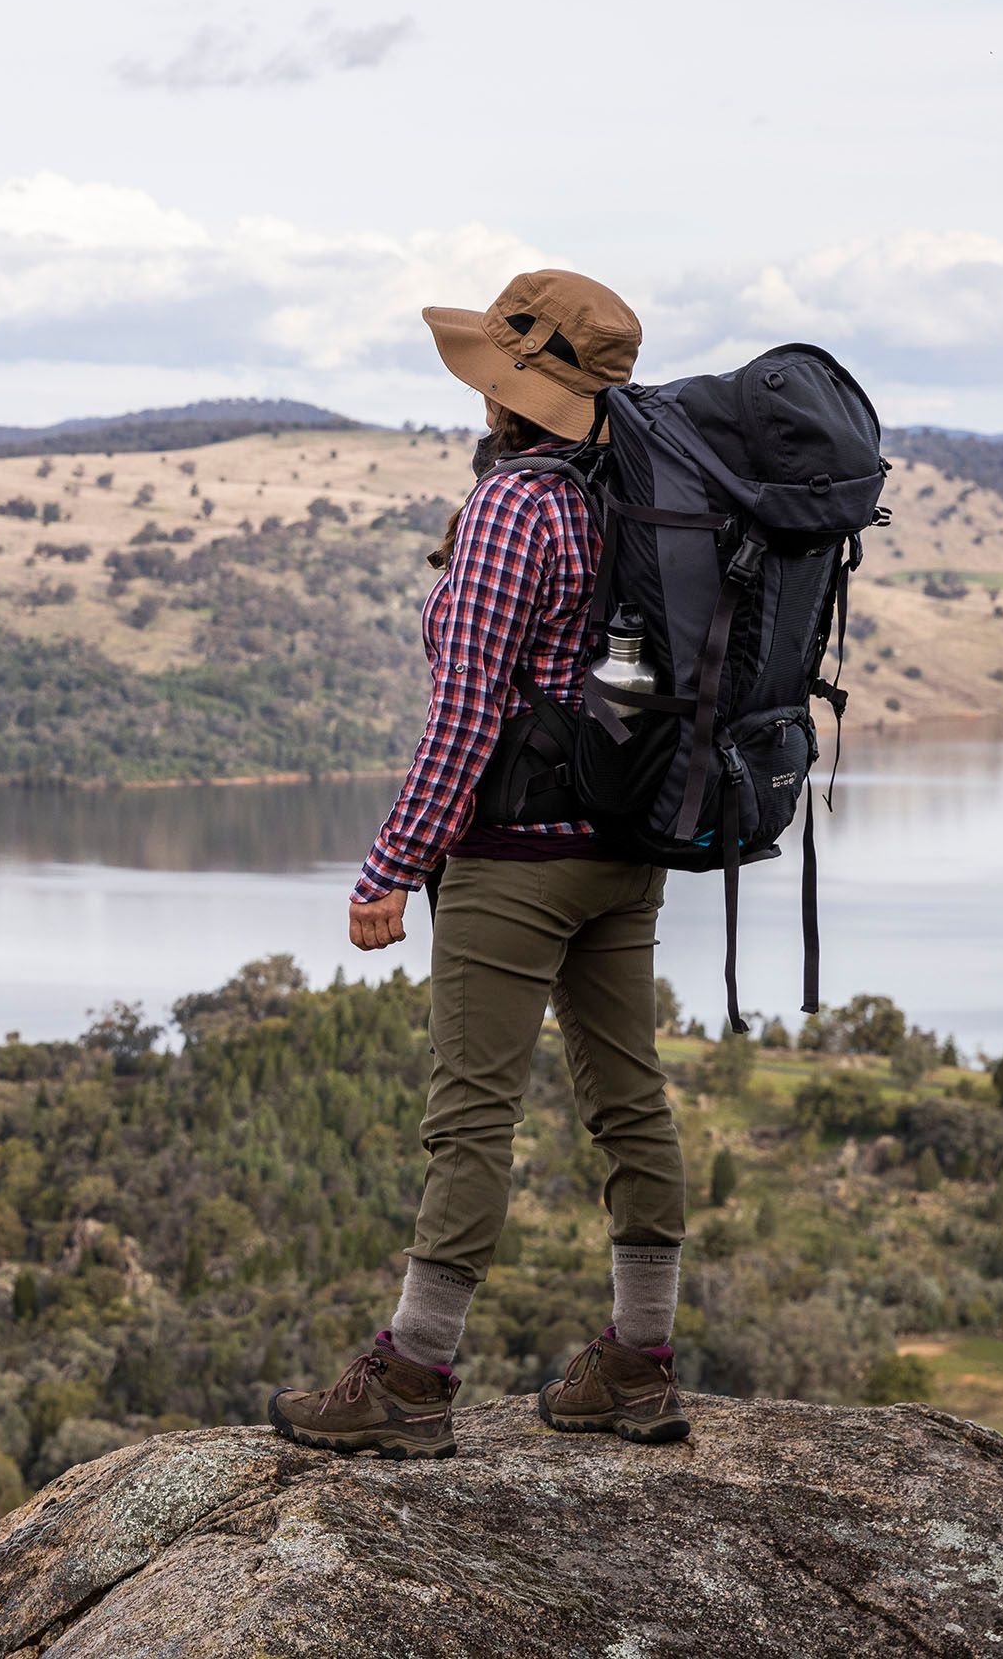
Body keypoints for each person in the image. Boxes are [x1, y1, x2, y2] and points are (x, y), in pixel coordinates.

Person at [267, 269, 689, 1459]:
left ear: (507, 392)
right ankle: (641, 1366)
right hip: (627, 846)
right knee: (629, 1103)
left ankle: (411, 1379)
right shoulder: (645, 500)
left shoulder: (517, 508)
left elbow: (466, 712)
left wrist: (390, 867)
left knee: (470, 1121)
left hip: (515, 858)